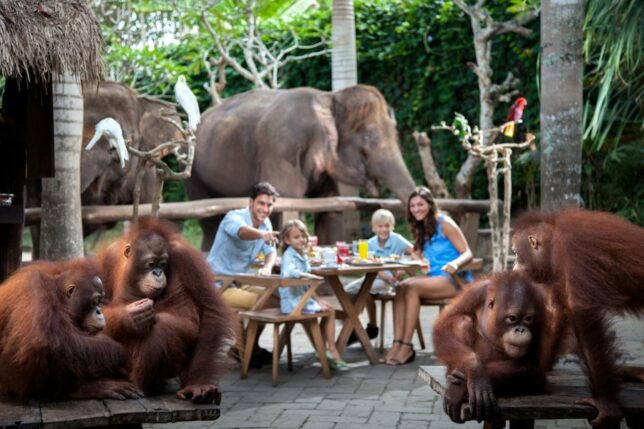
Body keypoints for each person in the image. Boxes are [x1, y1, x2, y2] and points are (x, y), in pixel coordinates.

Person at [384, 186, 473, 365]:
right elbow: (416, 252)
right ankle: (397, 344)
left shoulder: (445, 223)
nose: (416, 209)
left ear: (430, 204)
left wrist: (455, 263)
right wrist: (406, 265)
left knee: (411, 287)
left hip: (454, 278)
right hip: (433, 277)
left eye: (420, 204)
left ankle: (406, 346)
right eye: (412, 206)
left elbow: (468, 253)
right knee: (400, 287)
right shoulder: (422, 226)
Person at [207, 181, 280, 366]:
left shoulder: (266, 224)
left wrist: (268, 266)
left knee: (275, 298)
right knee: (266, 304)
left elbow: (271, 251)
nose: (265, 209)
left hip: (238, 282)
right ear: (251, 202)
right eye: (261, 203)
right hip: (217, 285)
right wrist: (262, 235)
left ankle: (245, 349)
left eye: (269, 205)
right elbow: (241, 232)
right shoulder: (235, 217)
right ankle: (247, 350)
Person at [279, 219, 348, 370]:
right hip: (293, 303)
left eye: (303, 236)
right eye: (296, 237)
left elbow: (308, 287)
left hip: (302, 299)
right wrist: (308, 276)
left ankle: (324, 350)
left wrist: (319, 300)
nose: (302, 240)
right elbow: (288, 273)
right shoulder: (289, 255)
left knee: (327, 308)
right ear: (287, 240)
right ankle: (330, 350)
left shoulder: (301, 255)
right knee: (330, 312)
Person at [344, 209, 413, 343]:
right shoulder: (370, 243)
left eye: (387, 226)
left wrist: (403, 267)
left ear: (392, 226)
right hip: (373, 278)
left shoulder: (397, 239)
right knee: (348, 291)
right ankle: (357, 325)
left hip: (391, 281)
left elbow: (414, 252)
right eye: (380, 226)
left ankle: (361, 328)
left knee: (364, 289)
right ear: (374, 228)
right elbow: (370, 264)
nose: (383, 230)